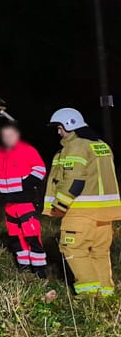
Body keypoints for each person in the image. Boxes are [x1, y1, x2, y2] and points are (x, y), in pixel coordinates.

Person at [44, 108, 121, 296]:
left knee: (73, 248)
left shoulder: (75, 146)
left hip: (81, 211)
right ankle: (105, 294)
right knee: (100, 252)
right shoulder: (101, 145)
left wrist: (60, 205)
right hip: (104, 214)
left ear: (68, 126)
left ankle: (89, 295)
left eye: (59, 127)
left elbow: (74, 180)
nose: (58, 132)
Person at [0, 122, 48, 276]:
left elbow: (40, 171)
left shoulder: (27, 150)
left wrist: (22, 186)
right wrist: (1, 187)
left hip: (26, 202)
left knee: (32, 237)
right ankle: (23, 269)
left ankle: (39, 271)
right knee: (16, 238)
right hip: (9, 203)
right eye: (4, 134)